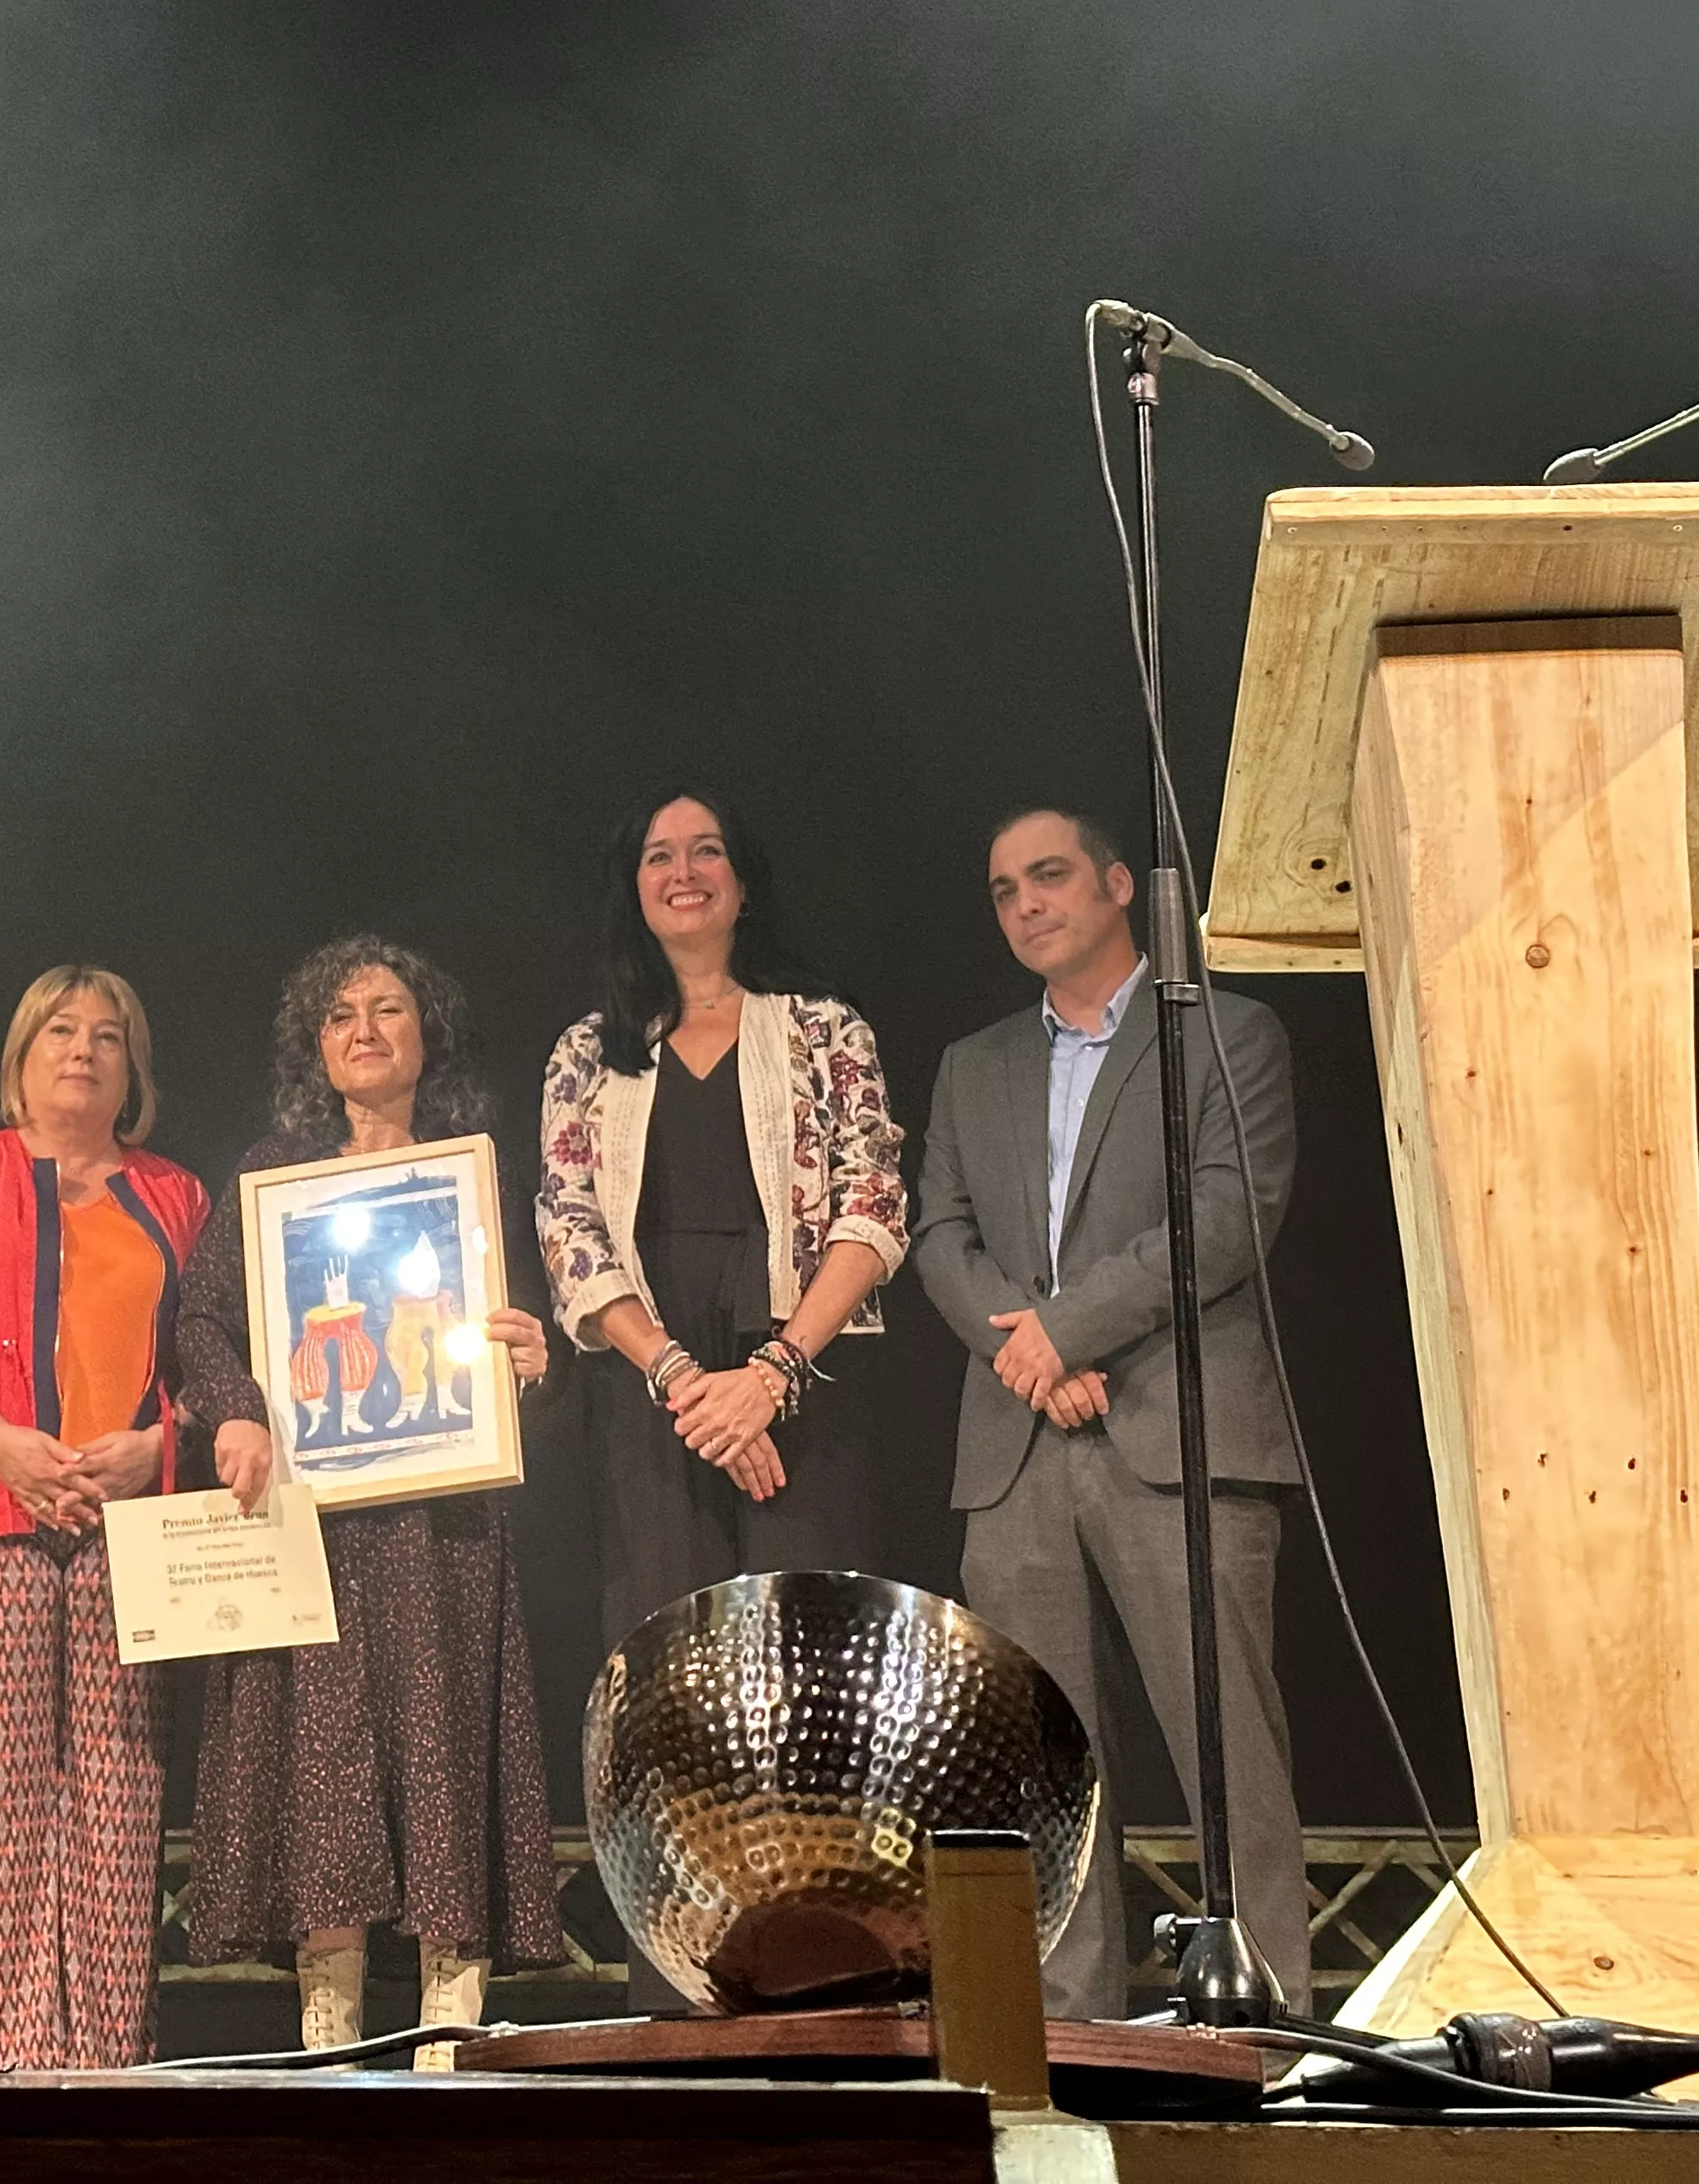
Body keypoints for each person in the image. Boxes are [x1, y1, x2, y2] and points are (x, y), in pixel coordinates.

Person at [912, 805, 1308, 2019]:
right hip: (1019, 1451)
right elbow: (941, 1235)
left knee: (1227, 1739)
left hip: (1175, 1434)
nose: (1026, 904)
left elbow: (1230, 1217)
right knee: (1043, 1756)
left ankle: (1269, 2021)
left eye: (1049, 878)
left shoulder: (1222, 1035)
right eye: (1002, 891)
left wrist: (1066, 1330)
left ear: (1119, 885)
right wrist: (1029, 1352)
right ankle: (1067, 2029)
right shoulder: (974, 1064)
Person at [176, 936, 560, 2065]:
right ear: (317, 1046)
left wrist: (534, 1355)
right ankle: (330, 2039)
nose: (366, 1030)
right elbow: (201, 1321)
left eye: (389, 1010)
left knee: (445, 1742)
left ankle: (453, 2032)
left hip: (448, 1517)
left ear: (425, 1034)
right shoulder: (270, 1177)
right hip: (322, 1518)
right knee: (327, 1758)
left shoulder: (474, 1179)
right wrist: (238, 1407)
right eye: (342, 1014)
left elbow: (539, 1326)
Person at [0, 965, 209, 2070]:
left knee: (119, 1808)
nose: (83, 1049)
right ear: (20, 1054)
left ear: (132, 1068)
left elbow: (215, 1354)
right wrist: (5, 1445)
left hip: (132, 1529)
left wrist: (164, 1445)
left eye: (109, 1035)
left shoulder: (176, 1195)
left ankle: (108, 2070)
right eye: (60, 1030)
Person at [537, 786, 910, 1648]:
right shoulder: (588, 1051)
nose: (684, 872)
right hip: (652, 1384)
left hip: (806, 1364)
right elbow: (568, 1230)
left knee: (816, 1647)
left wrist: (771, 1375)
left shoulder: (826, 1027)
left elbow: (875, 1208)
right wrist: (686, 1385)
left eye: (707, 850)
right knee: (675, 1661)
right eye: (659, 856)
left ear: (743, 883)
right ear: (632, 889)